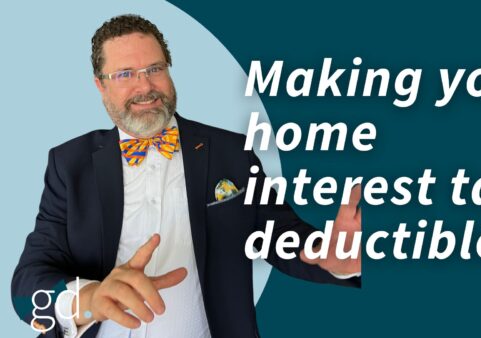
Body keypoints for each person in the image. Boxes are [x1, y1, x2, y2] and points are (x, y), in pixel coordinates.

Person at [11, 14, 361, 338]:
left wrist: (333, 257)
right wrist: (89, 297)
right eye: (125, 74)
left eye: (154, 68)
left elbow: (281, 238)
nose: (144, 86)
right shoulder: (69, 164)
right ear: (100, 85)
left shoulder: (232, 153)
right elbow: (28, 284)